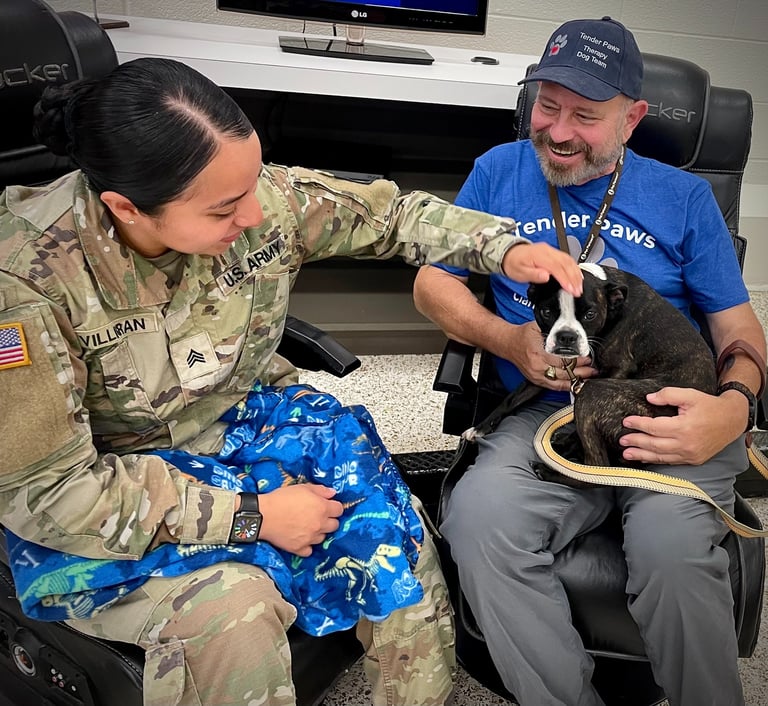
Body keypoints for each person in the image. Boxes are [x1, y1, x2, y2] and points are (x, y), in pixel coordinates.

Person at [0, 57, 583, 706]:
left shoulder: (259, 200)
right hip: (120, 480)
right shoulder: (25, 280)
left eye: (254, 183)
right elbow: (49, 493)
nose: (257, 214)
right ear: (126, 209)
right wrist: (251, 517)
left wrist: (502, 247)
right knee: (232, 614)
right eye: (226, 208)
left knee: (399, 543)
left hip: (247, 421)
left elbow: (391, 217)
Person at [413, 17, 766, 706]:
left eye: (587, 115)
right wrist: (507, 339)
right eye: (548, 105)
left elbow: (739, 328)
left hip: (666, 412)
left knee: (672, 553)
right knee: (480, 521)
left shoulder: (684, 197)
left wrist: (733, 410)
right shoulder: (498, 171)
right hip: (546, 413)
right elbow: (433, 283)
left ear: (632, 119)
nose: (560, 130)